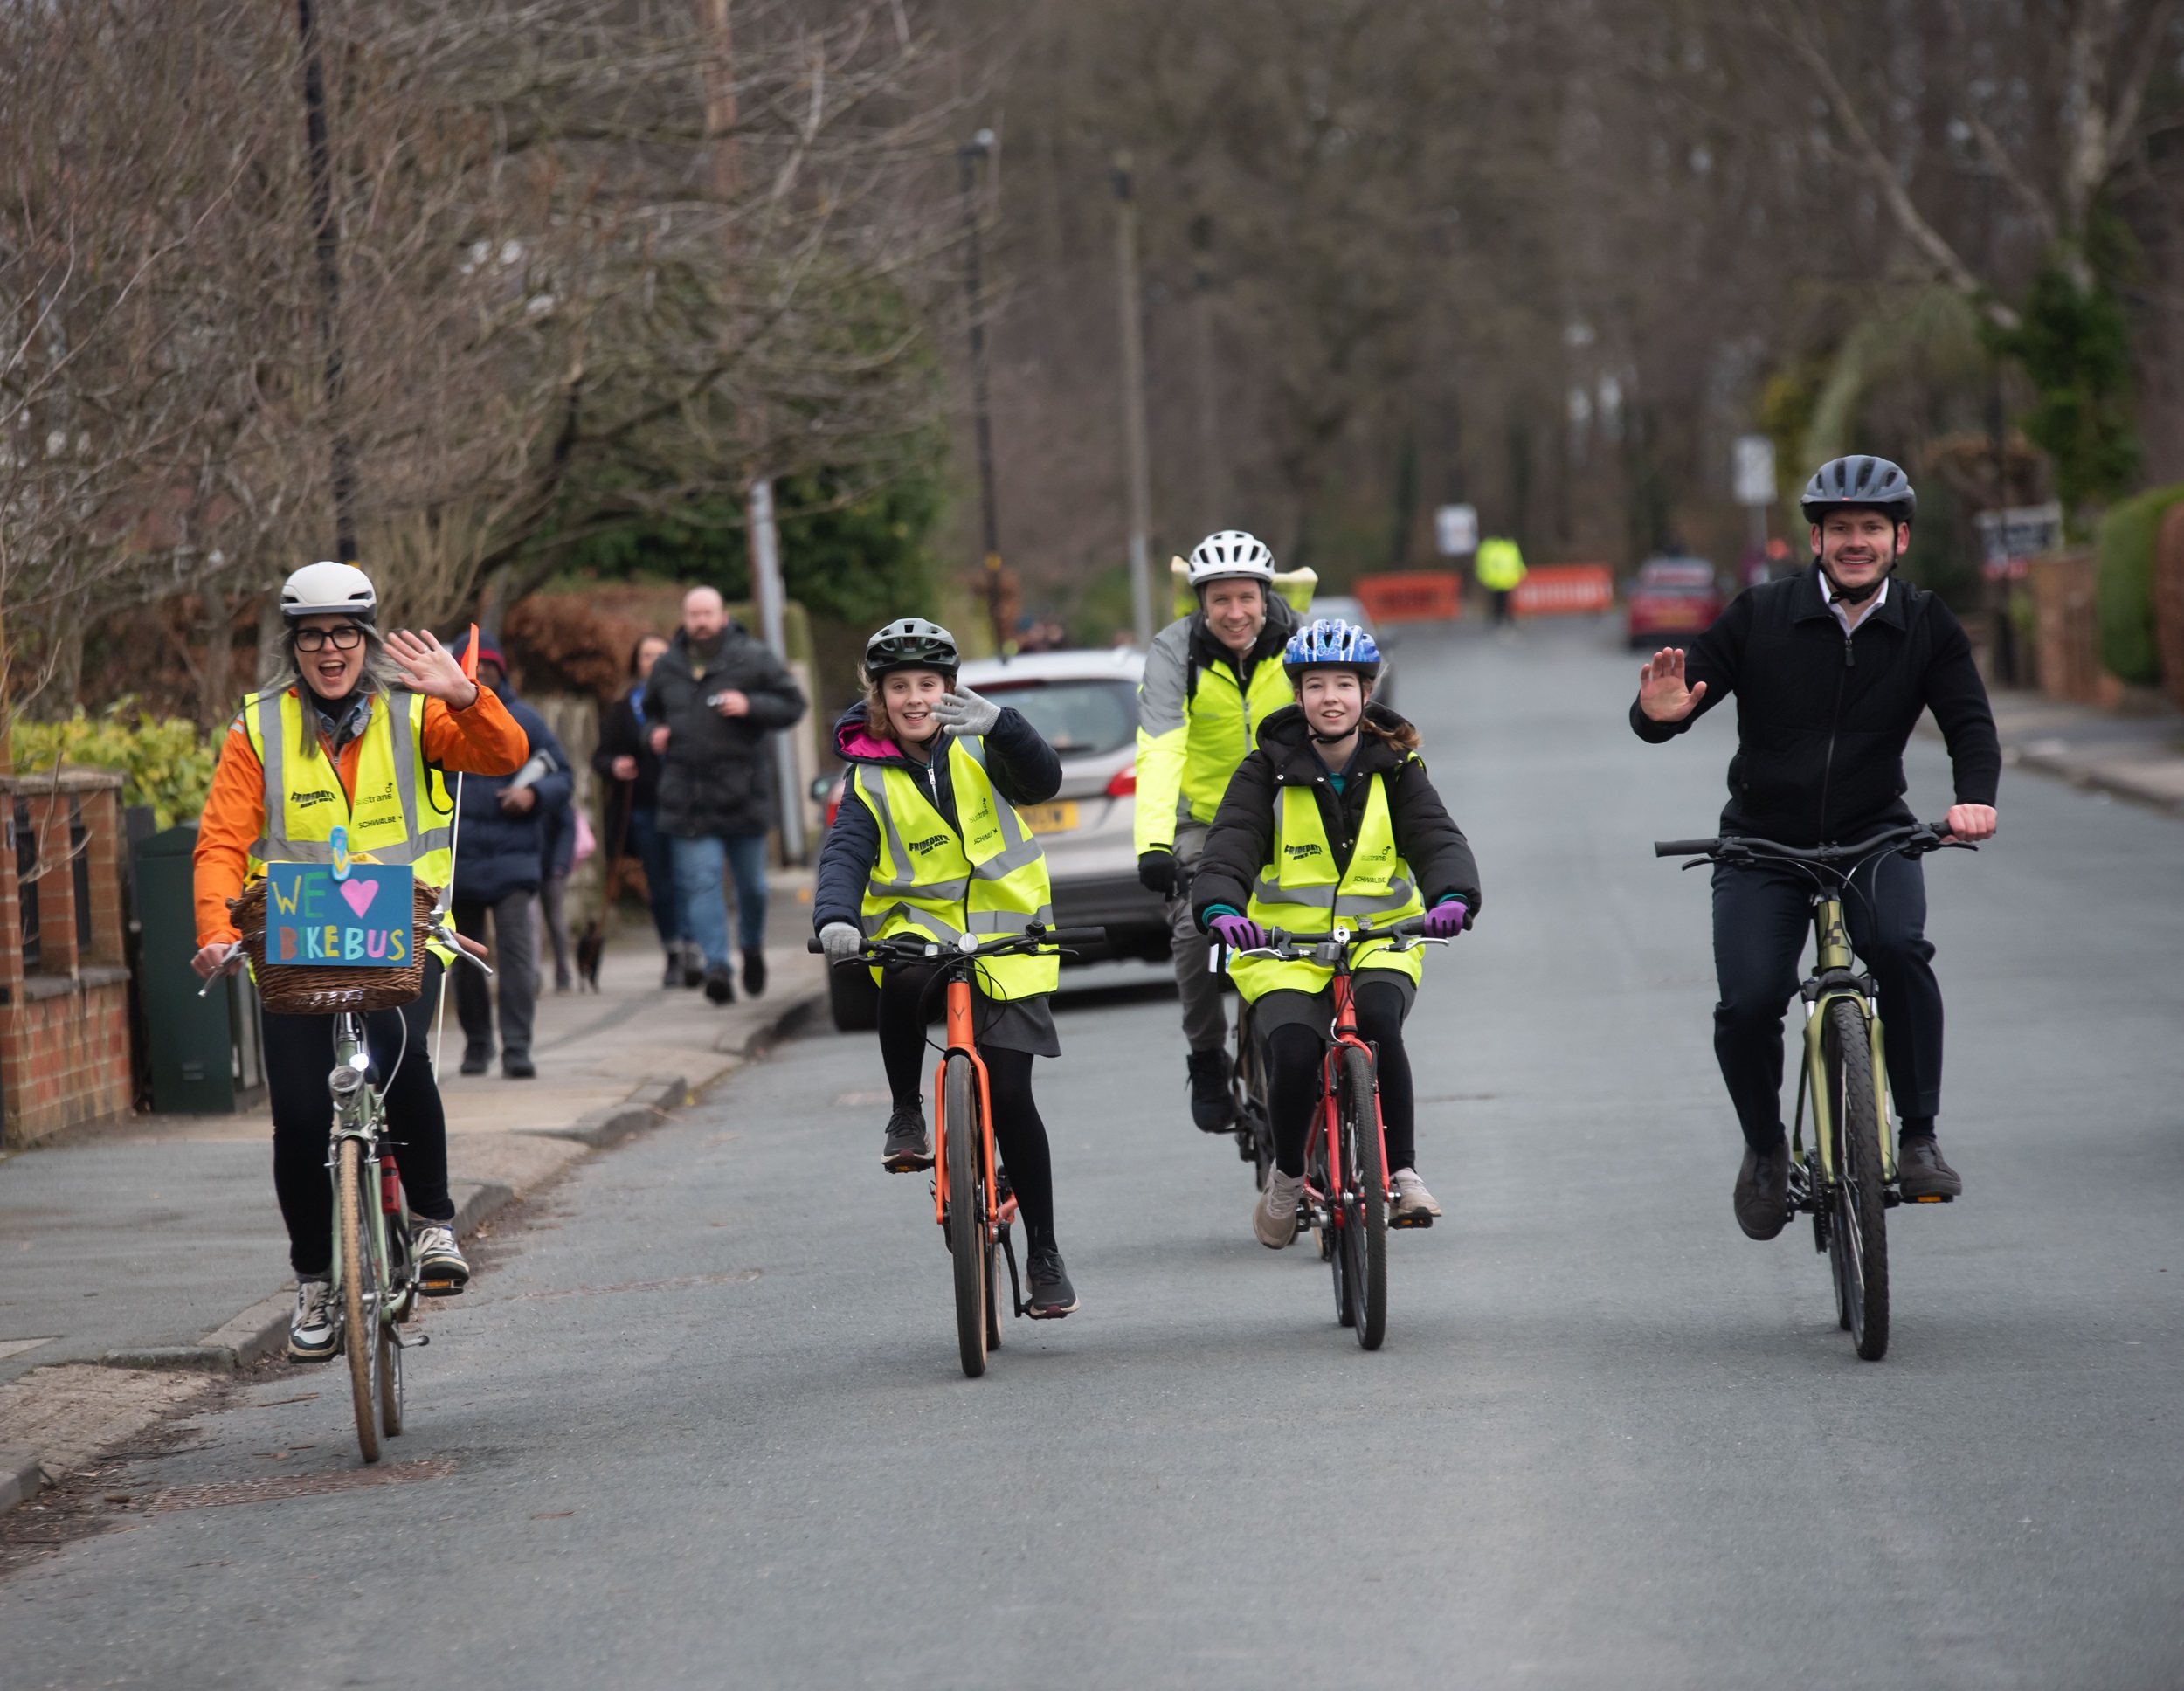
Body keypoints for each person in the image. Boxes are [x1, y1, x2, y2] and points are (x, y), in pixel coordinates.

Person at [1630, 454, 2001, 1239]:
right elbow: (1679, 697)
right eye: (1840, 530)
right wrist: (1660, 715)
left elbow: (1970, 724)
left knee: (1899, 950)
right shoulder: (1762, 613)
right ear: (1817, 539)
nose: (1856, 542)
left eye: (1872, 529)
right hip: (1762, 842)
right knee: (1750, 1002)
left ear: (1900, 539)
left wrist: (1974, 800)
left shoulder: (1926, 623)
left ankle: (1921, 1136)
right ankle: (1766, 1150)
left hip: (1874, 832)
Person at [191, 561, 529, 1360]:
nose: (330, 650)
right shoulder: (258, 727)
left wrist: (465, 697)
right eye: (312, 637)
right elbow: (220, 840)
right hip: (295, 949)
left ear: (367, 639)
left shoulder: (416, 713)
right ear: (294, 647)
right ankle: (315, 1281)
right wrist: (214, 927)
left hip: (402, 938)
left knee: (402, 1063)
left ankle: (435, 1225)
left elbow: (504, 755)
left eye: (344, 633)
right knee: (302, 1117)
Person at [812, 618, 1080, 1318]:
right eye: (897, 686)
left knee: (1014, 1095)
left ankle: (1046, 1252)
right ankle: (907, 1113)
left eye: (926, 684)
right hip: (921, 937)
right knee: (898, 978)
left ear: (949, 690)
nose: (912, 698)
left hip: (1006, 938)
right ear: (878, 697)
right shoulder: (867, 775)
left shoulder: (981, 745)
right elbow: (845, 853)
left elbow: (1043, 781)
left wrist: (1005, 725)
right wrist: (834, 918)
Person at [1191, 618, 1481, 1245]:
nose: (1330, 697)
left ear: (1366, 692)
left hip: (1382, 938)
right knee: (1293, 1052)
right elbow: (1231, 845)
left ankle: (1401, 1171)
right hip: (1281, 950)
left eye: (1344, 684)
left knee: (1379, 1023)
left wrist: (1452, 895)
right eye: (1315, 684)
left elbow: (1436, 837)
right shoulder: (1262, 770)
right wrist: (1221, 909)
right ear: (1296, 696)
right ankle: (1290, 1177)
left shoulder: (1399, 768)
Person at [1132, 529, 1301, 1133]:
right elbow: (1160, 747)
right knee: (1193, 929)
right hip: (1203, 819)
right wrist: (1153, 844)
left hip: (1294, 812)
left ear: (1265, 595)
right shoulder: (1175, 650)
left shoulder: (1302, 640)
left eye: (1245, 598)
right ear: (1200, 601)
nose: (1234, 613)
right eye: (1219, 600)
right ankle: (1207, 1056)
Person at [644, 585, 807, 1005]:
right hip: (688, 798)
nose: (700, 621)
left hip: (742, 795)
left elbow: (794, 704)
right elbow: (649, 714)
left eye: (707, 613)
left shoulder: (751, 656)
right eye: (693, 613)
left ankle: (751, 949)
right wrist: (653, 735)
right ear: (684, 617)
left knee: (752, 888)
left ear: (722, 616)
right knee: (701, 884)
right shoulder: (667, 666)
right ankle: (718, 966)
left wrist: (750, 704)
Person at [449, 639, 572, 1080]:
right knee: (464, 965)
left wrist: (533, 793)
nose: (480, 671)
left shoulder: (524, 720)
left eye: (488, 666)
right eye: (472, 665)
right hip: (456, 865)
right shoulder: (440, 719)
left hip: (514, 863)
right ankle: (478, 1045)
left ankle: (517, 1048)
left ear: (502, 671)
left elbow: (564, 778)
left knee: (518, 957)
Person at [594, 632, 692, 988]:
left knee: (687, 881)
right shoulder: (623, 708)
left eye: (659, 654)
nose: (653, 661)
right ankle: (673, 951)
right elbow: (600, 756)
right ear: (637, 661)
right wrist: (615, 764)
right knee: (661, 887)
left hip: (686, 808)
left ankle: (693, 948)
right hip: (644, 809)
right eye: (646, 655)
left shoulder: (685, 700)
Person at [1475, 535, 1525, 627]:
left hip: (1503, 579)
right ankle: (1499, 617)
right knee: (1499, 600)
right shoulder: (1507, 548)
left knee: (1504, 601)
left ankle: (1502, 617)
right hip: (1501, 579)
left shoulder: (1492, 548)